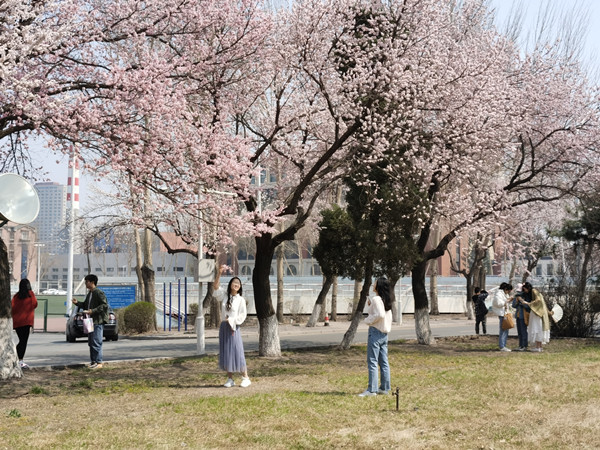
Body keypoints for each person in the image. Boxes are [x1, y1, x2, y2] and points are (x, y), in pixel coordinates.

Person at [213, 266, 251, 388]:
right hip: (224, 327)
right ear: (230, 284)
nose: (236, 285)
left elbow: (242, 315)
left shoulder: (240, 300)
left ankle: (245, 377)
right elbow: (215, 288)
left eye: (238, 283)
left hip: (234, 328)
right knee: (226, 352)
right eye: (234, 282)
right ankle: (230, 378)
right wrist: (219, 274)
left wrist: (233, 321)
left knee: (237, 351)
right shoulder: (224, 295)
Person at [358, 277, 393, 397]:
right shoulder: (386, 299)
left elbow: (380, 314)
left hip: (375, 332)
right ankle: (384, 388)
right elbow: (384, 314)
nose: (373, 284)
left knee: (372, 361)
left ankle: (372, 390)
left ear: (379, 286)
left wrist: (368, 320)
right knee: (384, 362)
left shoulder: (377, 299)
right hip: (384, 334)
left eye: (375, 283)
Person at [72, 274, 109, 369]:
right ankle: (93, 362)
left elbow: (104, 305)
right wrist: (77, 303)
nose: (85, 283)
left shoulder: (98, 293)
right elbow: (85, 305)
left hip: (97, 321)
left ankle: (99, 362)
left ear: (92, 282)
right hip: (90, 321)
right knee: (91, 342)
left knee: (97, 341)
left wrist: (92, 311)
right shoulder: (90, 293)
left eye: (86, 282)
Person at [11, 279, 38, 369]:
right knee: (23, 341)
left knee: (21, 340)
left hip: (18, 322)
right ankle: (20, 360)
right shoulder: (30, 294)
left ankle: (16, 357)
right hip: (27, 322)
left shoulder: (16, 296)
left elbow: (12, 308)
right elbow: (35, 304)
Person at [518, 282, 551, 352]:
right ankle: (539, 346)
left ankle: (538, 347)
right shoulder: (535, 291)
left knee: (536, 328)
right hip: (539, 312)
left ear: (528, 288)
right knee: (539, 328)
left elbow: (538, 300)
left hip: (537, 313)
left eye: (525, 289)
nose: (525, 291)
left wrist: (528, 303)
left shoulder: (533, 291)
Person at [491, 282, 513, 352]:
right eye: (508, 291)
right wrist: (507, 301)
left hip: (505, 313)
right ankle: (502, 345)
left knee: (505, 329)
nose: (508, 292)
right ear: (505, 289)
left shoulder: (504, 294)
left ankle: (503, 345)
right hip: (502, 314)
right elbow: (498, 303)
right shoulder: (499, 294)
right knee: (503, 330)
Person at [512, 283, 530, 351]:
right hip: (518, 315)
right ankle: (520, 345)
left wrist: (522, 302)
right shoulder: (517, 296)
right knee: (519, 332)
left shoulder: (526, 296)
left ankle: (524, 345)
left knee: (523, 331)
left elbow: (527, 306)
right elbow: (513, 305)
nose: (519, 293)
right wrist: (517, 300)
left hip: (524, 316)